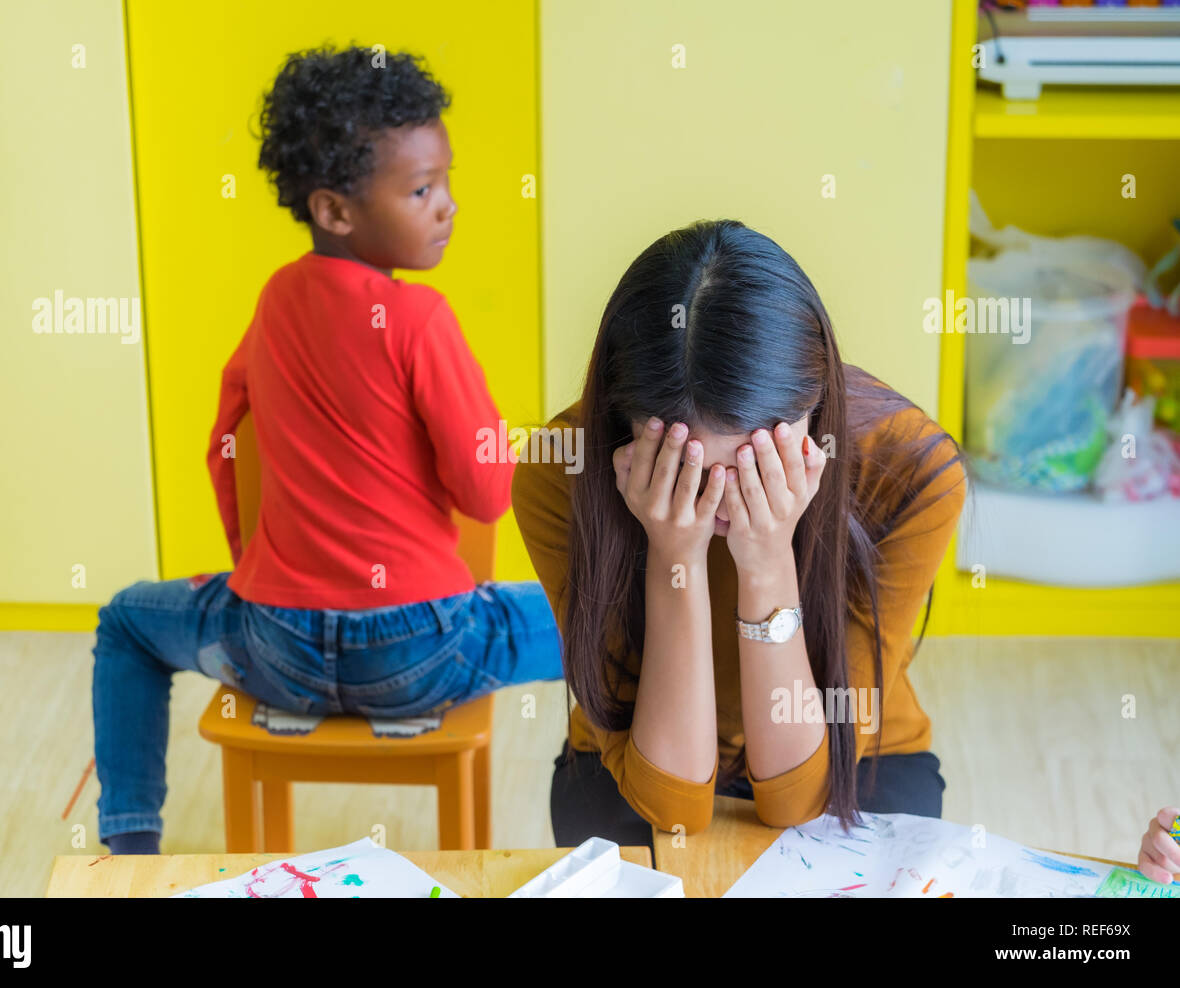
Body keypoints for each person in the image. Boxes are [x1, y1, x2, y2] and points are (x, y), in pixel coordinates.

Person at [91, 44, 562, 855]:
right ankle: (618, 828)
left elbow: (225, 450)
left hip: (274, 650)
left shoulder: (276, 299)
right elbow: (488, 494)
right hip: (426, 652)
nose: (447, 205)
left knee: (127, 621)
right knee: (605, 610)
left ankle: (129, 850)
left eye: (445, 181)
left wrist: (256, 573)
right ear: (336, 210)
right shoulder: (421, 321)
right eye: (422, 189)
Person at [511, 219, 970, 853]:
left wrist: (767, 563)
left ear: (814, 405)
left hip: (860, 758)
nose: (728, 496)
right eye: (688, 469)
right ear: (624, 424)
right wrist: (675, 556)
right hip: (636, 757)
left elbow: (799, 799)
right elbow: (674, 805)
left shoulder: (913, 468)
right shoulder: (559, 474)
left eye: (755, 463)